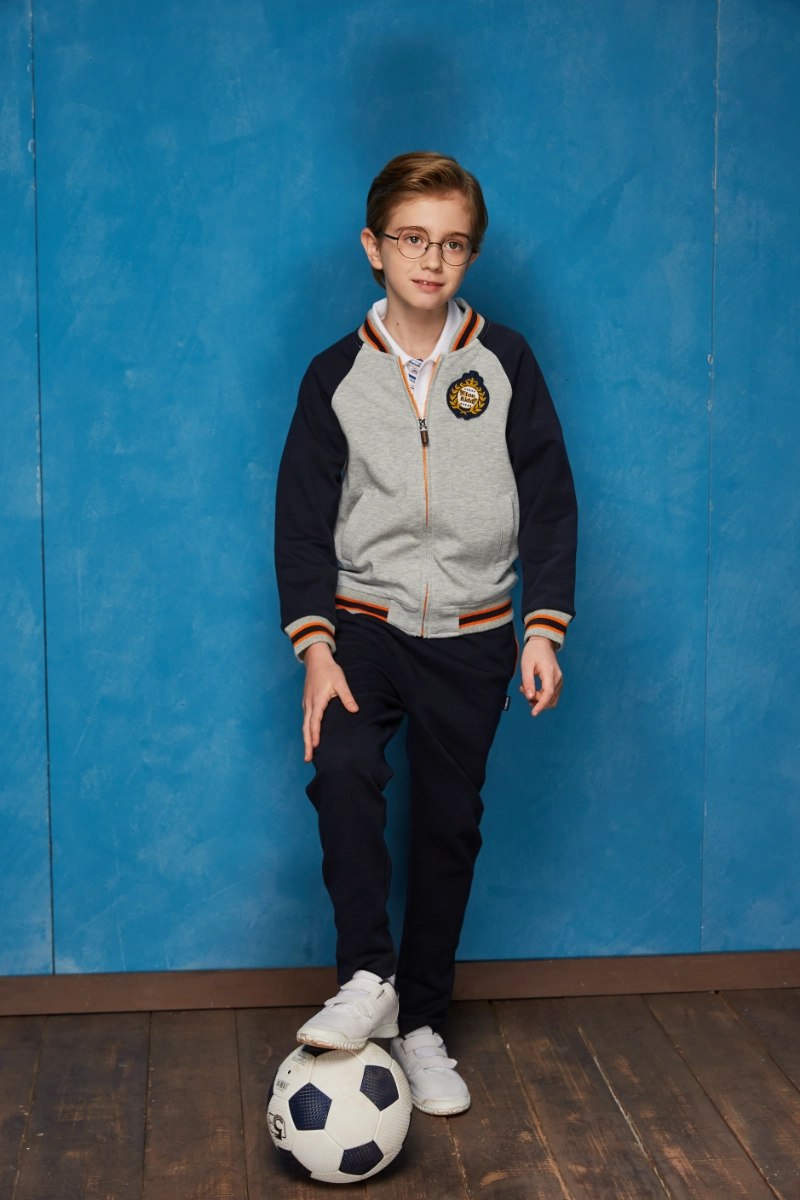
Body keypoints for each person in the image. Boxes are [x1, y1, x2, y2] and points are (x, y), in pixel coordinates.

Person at [274, 151, 577, 1115]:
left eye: (452, 243)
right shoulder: (334, 377)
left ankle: (423, 1023)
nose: (431, 259)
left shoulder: (505, 362)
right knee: (343, 770)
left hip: (476, 632)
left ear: (470, 254)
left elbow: (550, 502)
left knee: (449, 827)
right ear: (375, 247)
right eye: (412, 239)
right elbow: (300, 522)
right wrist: (315, 647)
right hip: (362, 626)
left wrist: (542, 628)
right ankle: (369, 978)